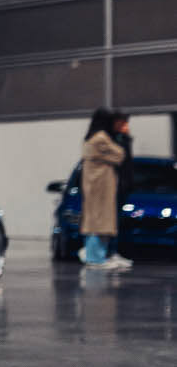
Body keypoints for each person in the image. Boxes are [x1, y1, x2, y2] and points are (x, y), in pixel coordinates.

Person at [80, 106, 131, 270]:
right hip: (101, 187)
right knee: (100, 224)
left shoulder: (90, 138)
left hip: (95, 186)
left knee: (96, 223)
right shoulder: (101, 138)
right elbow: (120, 155)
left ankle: (96, 256)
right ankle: (96, 258)